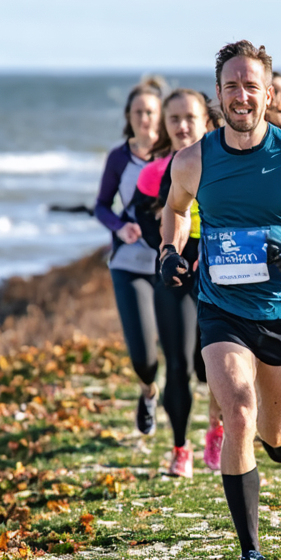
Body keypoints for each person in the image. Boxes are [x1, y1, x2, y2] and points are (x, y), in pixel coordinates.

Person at [160, 40, 281, 560]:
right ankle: (250, 554)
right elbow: (174, 211)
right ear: (218, 95)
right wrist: (170, 251)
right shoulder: (193, 159)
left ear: (269, 93)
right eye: (232, 86)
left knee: (276, 436)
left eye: (251, 85)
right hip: (221, 308)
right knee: (237, 411)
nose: (242, 96)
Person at [133, 89, 218, 478]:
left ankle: (218, 430)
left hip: (223, 267)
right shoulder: (155, 171)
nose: (183, 126)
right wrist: (168, 252)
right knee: (179, 364)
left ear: (206, 121)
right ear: (165, 126)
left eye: (190, 118)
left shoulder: (224, 163)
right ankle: (181, 448)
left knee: (212, 365)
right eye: (174, 120)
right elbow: (143, 217)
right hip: (176, 271)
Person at [95, 84, 164, 435]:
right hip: (128, 261)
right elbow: (101, 206)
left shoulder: (175, 156)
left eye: (151, 111)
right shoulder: (119, 158)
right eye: (138, 112)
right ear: (129, 118)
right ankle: (149, 391)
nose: (145, 118)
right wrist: (120, 228)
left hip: (170, 261)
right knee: (143, 355)